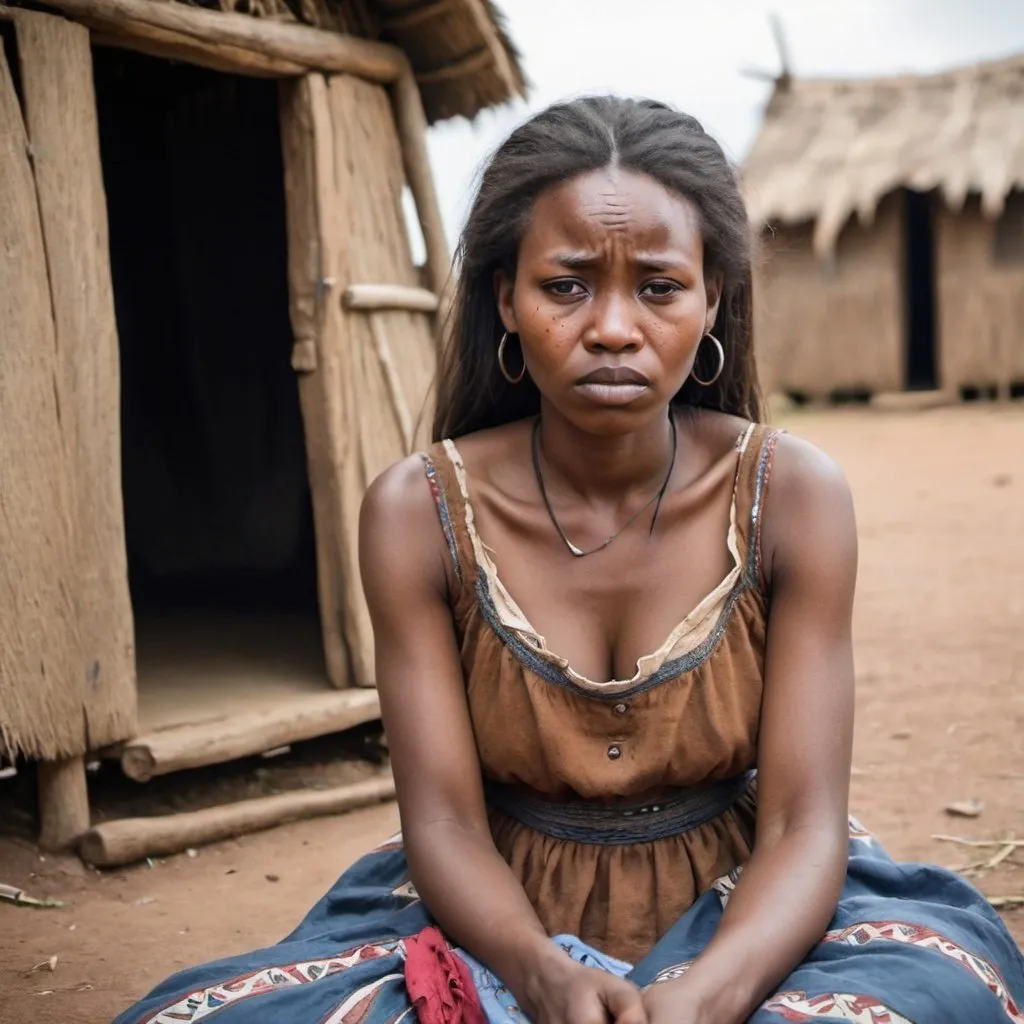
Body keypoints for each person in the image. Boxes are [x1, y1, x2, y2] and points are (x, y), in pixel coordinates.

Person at [116, 96, 1024, 1024]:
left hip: (753, 907)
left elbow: (800, 823)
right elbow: (443, 825)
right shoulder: (418, 514)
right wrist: (540, 975)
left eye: (660, 287)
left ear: (714, 295)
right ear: (505, 295)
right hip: (491, 913)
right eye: (567, 286)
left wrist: (713, 995)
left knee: (937, 996)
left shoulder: (792, 496)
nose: (615, 328)